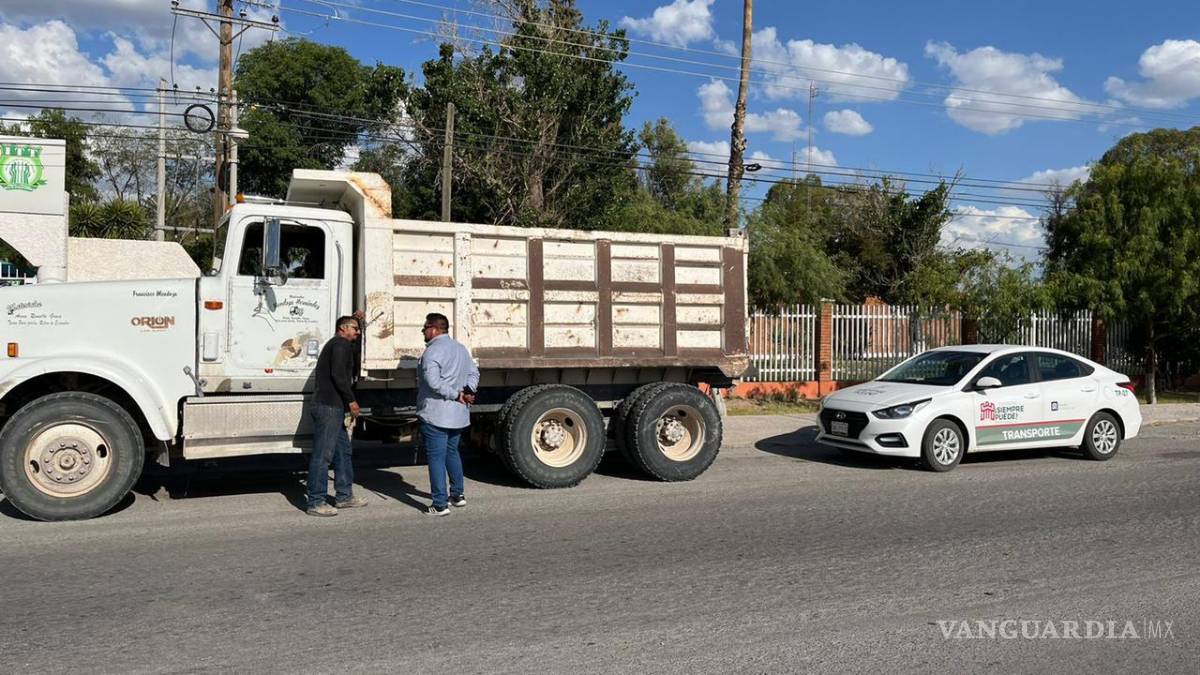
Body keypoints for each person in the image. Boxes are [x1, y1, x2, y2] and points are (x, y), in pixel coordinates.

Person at [417, 312, 480, 516]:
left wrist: (457, 395)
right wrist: (468, 391)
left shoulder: (432, 352)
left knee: (436, 458)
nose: (423, 332)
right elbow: (474, 373)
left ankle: (440, 504)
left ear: (434, 329)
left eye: (425, 328)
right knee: (452, 453)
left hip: (436, 413)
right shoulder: (460, 349)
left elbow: (433, 383)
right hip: (458, 415)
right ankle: (458, 495)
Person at [305, 315, 369, 517]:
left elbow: (353, 360)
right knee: (323, 455)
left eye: (358, 329)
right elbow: (339, 376)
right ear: (342, 328)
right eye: (354, 328)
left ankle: (344, 496)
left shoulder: (341, 345)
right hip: (329, 406)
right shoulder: (340, 345)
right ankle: (316, 501)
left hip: (335, 407)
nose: (357, 332)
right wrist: (351, 400)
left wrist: (359, 321)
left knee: (343, 452)